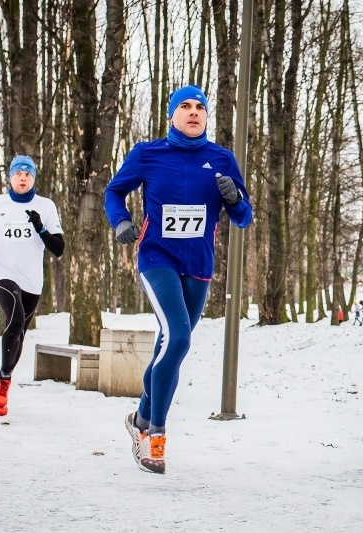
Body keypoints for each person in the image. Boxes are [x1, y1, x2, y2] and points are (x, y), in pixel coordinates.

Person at [105, 84, 253, 474]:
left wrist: (235, 199)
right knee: (180, 337)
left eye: (199, 107)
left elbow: (243, 217)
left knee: (168, 344)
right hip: (157, 258)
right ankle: (154, 436)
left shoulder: (221, 159)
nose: (193, 112)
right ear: (171, 115)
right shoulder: (148, 154)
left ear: (206, 116)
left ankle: (138, 418)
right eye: (184, 106)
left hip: (199, 266)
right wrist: (120, 221)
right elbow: (114, 192)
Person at [0, 155, 64, 416]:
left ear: (34, 178)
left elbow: (58, 249)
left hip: (32, 281)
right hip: (2, 273)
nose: (23, 178)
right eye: (18, 173)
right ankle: (3, 383)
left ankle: (2, 381)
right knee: (13, 319)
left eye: (28, 174)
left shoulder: (45, 206)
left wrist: (41, 229)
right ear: (10, 177)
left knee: (21, 330)